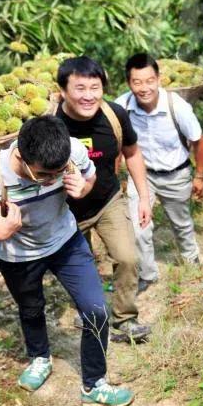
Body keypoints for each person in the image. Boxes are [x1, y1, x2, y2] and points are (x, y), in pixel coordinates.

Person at [0, 115, 134, 406]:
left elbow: (89, 178)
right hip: (18, 255)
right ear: (21, 155)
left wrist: (84, 188)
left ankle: (94, 385)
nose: (52, 179)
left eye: (59, 172)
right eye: (44, 175)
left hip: (66, 241)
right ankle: (40, 357)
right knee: (31, 308)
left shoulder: (73, 151)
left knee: (96, 310)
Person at [55, 56, 153, 344]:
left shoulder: (115, 115)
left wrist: (143, 198)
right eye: (80, 88)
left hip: (108, 199)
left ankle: (125, 319)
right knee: (80, 266)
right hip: (66, 210)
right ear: (63, 91)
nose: (89, 96)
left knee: (127, 257)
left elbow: (133, 153)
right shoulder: (52, 124)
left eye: (95, 87)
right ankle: (88, 312)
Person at [116, 53, 203, 290]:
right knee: (138, 226)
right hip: (142, 175)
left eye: (149, 81)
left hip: (175, 174)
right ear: (129, 83)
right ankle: (147, 274)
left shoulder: (177, 107)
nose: (144, 88)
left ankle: (191, 260)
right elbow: (116, 142)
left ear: (159, 79)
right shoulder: (122, 106)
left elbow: (198, 140)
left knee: (181, 223)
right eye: (137, 82)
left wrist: (199, 176)